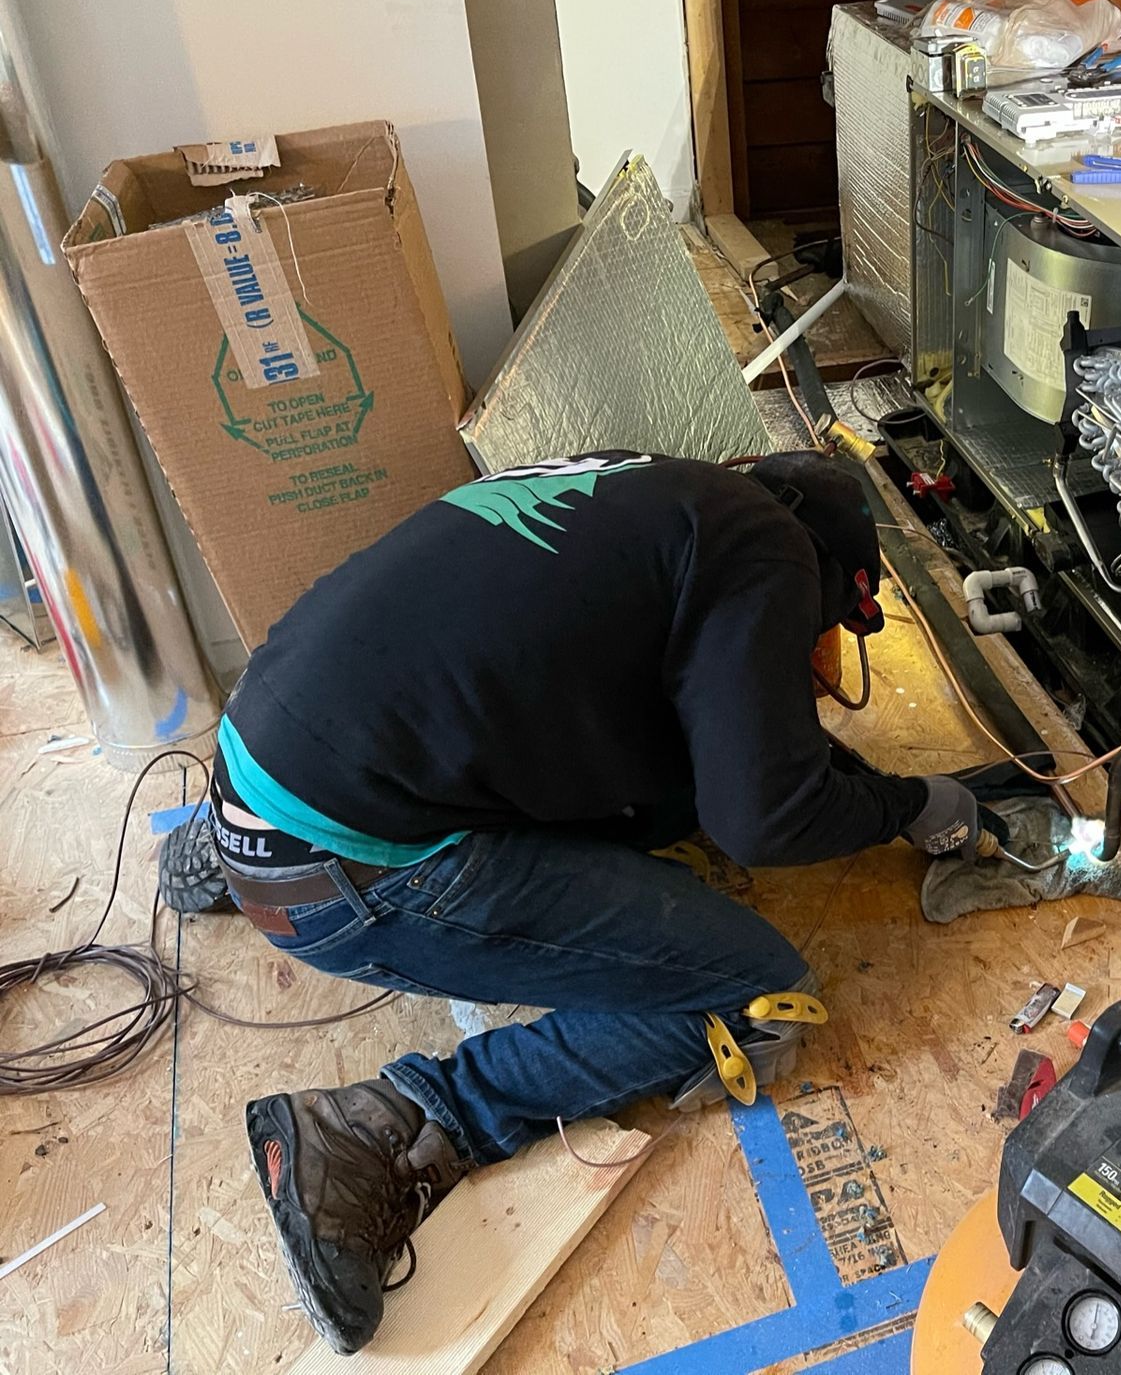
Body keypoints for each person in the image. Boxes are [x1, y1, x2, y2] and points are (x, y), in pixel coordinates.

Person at [210, 450, 1003, 1355]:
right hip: (331, 876)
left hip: (254, 767)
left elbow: (683, 728)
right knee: (758, 994)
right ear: (827, 573)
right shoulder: (774, 553)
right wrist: (910, 804)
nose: (812, 658)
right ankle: (391, 1128)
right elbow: (763, 817)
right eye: (819, 633)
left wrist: (836, 775)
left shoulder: (669, 499)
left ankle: (212, 854)